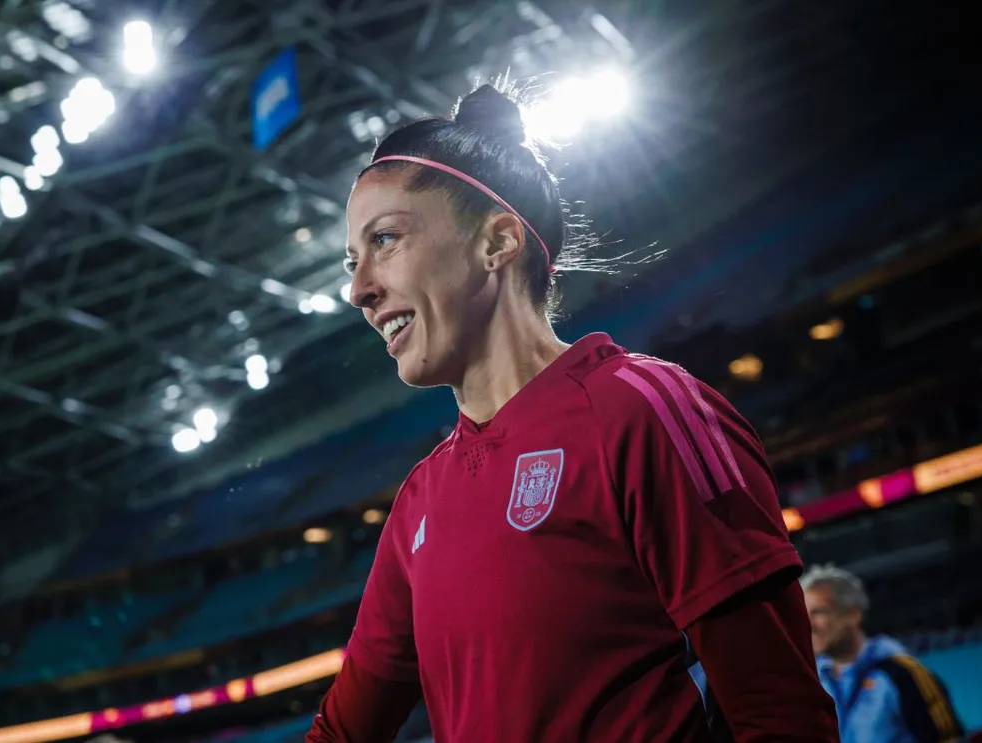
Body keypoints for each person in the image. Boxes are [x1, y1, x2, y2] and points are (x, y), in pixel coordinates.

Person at [306, 83, 840, 742]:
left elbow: (779, 714)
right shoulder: (419, 501)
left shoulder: (642, 410)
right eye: (352, 263)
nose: (359, 290)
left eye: (384, 239)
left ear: (496, 242)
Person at [802, 565, 965, 743]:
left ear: (853, 614)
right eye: (804, 615)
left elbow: (948, 739)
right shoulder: (810, 683)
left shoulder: (903, 673)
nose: (809, 624)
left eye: (818, 612)